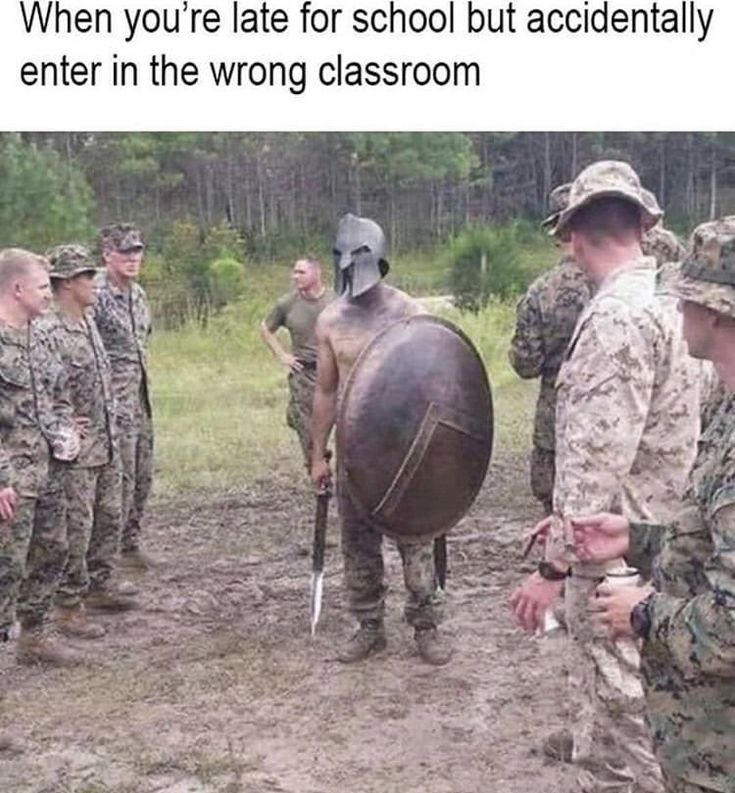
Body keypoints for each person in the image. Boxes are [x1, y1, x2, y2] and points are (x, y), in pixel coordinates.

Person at [510, 161, 703, 793]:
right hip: (664, 540)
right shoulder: (672, 302)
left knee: (628, 736)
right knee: (656, 715)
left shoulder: (615, 319)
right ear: (645, 226)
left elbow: (595, 467)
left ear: (572, 236)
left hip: (612, 561)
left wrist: (551, 570)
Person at [572, 216, 735, 793]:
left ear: (716, 313)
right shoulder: (726, 412)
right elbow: (714, 546)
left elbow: (730, 625)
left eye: (686, 301)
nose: (676, 312)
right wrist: (637, 538)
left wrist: (641, 611)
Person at [310, 214, 450, 666]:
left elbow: (436, 382)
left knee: (416, 540)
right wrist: (318, 454)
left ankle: (426, 624)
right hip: (355, 451)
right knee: (357, 541)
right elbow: (327, 391)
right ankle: (369, 624)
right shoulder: (331, 319)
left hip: (404, 447)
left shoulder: (409, 312)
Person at [43, 245, 136, 641]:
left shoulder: (88, 321)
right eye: (87, 277)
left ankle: (100, 585)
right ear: (66, 282)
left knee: (109, 518)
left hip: (106, 443)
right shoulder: (49, 331)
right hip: (77, 454)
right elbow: (37, 388)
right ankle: (68, 607)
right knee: (75, 531)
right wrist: (60, 422)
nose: (94, 283)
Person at [0, 248, 81, 667]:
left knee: (52, 551)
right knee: (5, 571)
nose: (49, 295)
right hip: (10, 480)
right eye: (41, 287)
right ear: (16, 289)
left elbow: (58, 395)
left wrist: (65, 431)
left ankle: (36, 637)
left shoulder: (41, 336)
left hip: (47, 472)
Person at [509, 183, 593, 513]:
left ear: (557, 231)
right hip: (621, 419)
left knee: (557, 515)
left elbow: (525, 364)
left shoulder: (541, 291)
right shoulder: (623, 282)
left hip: (557, 418)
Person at [93, 224, 154, 571]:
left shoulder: (138, 294)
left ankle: (130, 544)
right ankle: (106, 559)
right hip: (111, 404)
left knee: (142, 474)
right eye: (125, 252)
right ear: (107, 255)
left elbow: (143, 343)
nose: (133, 259)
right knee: (118, 480)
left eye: (137, 252)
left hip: (139, 399)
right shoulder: (96, 294)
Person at [260, 257, 334, 467]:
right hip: (305, 374)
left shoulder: (335, 300)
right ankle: (319, 479)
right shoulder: (287, 303)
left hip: (335, 372)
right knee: (309, 432)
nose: (295, 277)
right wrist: (282, 355)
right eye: (294, 272)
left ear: (317, 273)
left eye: (301, 272)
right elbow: (265, 328)